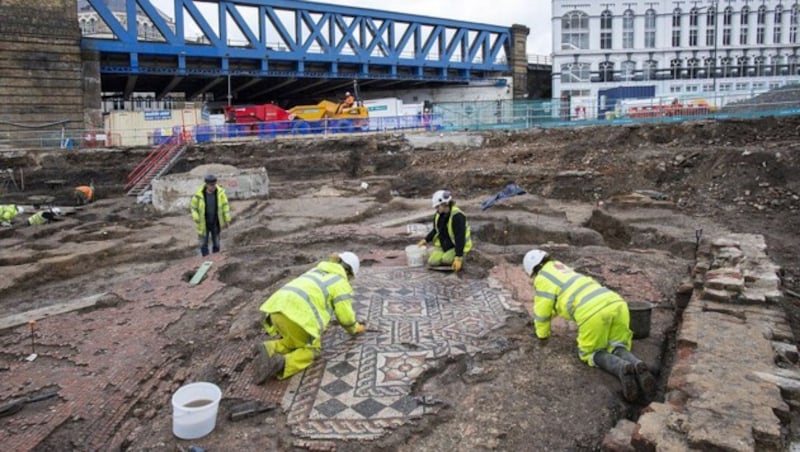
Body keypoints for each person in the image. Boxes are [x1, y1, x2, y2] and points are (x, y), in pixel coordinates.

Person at [522, 249, 656, 402]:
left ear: (531, 271)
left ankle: (620, 368)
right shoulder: (561, 268)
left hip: (593, 312)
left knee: (589, 353)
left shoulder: (542, 279)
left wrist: (542, 335)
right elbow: (560, 303)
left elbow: (542, 313)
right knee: (617, 345)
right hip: (616, 303)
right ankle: (637, 364)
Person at [253, 252, 366, 383]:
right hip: (297, 317)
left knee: (294, 341)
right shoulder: (340, 283)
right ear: (350, 273)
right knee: (312, 350)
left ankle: (269, 347)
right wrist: (355, 328)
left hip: (275, 309)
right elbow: (345, 317)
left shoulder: (317, 270)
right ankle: (282, 363)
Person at [417, 189, 472, 272]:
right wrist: (425, 240)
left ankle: (461, 257)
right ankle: (447, 255)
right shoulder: (439, 215)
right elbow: (436, 230)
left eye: (437, 206)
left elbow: (459, 238)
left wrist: (458, 257)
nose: (436, 208)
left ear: (444, 204)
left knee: (446, 259)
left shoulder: (457, 216)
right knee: (432, 261)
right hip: (444, 246)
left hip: (457, 247)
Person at [190, 174, 231, 256]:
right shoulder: (199, 195)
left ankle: (216, 258)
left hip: (215, 222)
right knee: (203, 243)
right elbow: (193, 207)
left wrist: (227, 219)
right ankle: (205, 258)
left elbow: (225, 206)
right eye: (211, 185)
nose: (213, 187)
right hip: (203, 223)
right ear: (206, 184)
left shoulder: (220, 194)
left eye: (214, 185)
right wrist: (196, 217)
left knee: (216, 242)